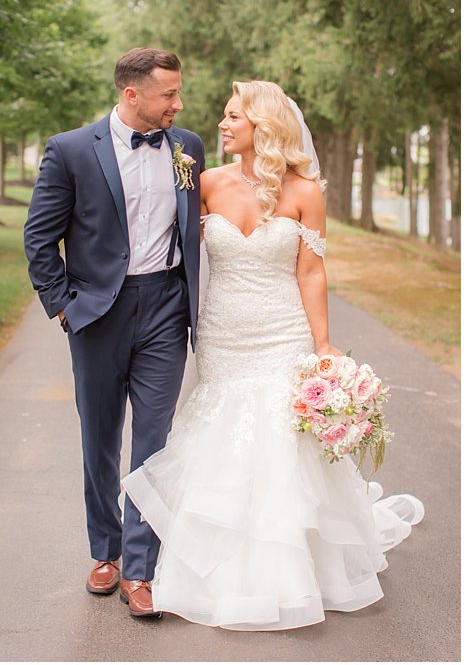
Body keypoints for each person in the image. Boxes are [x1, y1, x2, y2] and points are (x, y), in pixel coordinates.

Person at [121, 80, 423, 630]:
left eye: (233, 116)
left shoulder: (305, 190)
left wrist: (324, 344)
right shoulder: (206, 183)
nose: (222, 123)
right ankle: (212, 561)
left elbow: (310, 270)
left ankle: (286, 570)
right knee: (225, 435)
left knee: (278, 442)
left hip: (283, 331)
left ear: (264, 126)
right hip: (224, 334)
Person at [22, 47, 204, 617]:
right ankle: (105, 550)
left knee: (154, 441)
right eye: (168, 94)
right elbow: (39, 239)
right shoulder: (72, 150)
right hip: (98, 312)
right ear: (132, 95)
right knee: (100, 438)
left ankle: (140, 567)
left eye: (178, 92)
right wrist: (64, 308)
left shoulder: (187, 148)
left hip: (166, 309)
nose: (178, 103)